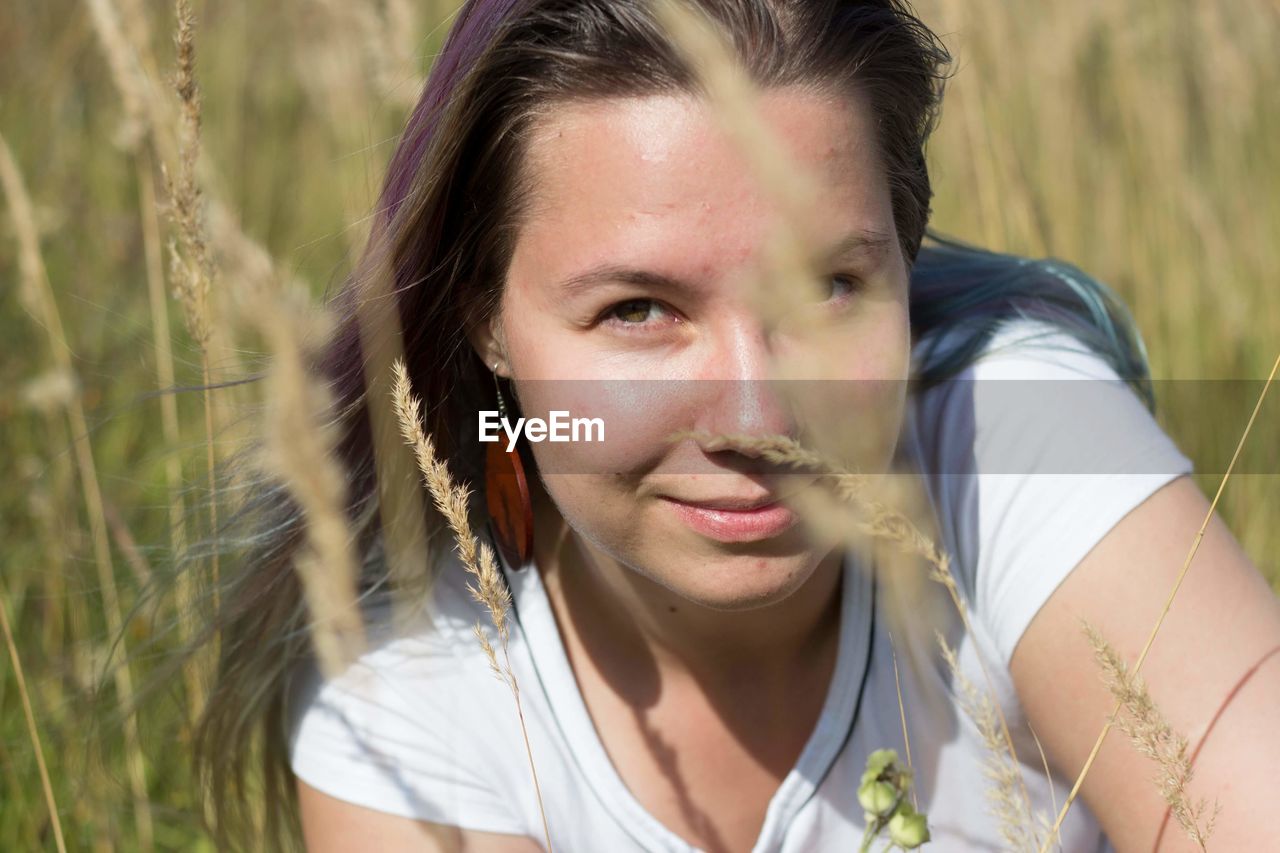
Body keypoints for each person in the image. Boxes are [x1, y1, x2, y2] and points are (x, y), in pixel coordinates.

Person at [191, 1, 1280, 851]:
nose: (757, 417)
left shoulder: (1013, 438)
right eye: (638, 311)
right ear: (485, 318)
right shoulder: (412, 695)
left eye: (825, 290)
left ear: (906, 262)